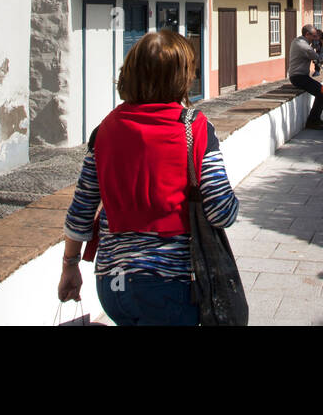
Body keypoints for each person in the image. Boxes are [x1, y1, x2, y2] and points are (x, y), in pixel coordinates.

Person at [58, 30, 239, 326]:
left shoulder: (104, 130)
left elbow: (81, 211)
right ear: (181, 77)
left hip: (112, 284)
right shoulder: (195, 130)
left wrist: (69, 267)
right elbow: (222, 213)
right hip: (170, 284)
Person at [288, 25, 323, 130]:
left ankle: (315, 120)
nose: (316, 39)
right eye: (314, 36)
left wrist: (316, 46)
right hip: (299, 77)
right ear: (307, 34)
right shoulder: (304, 46)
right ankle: (312, 122)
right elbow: (319, 60)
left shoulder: (298, 41)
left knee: (321, 91)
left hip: (298, 76)